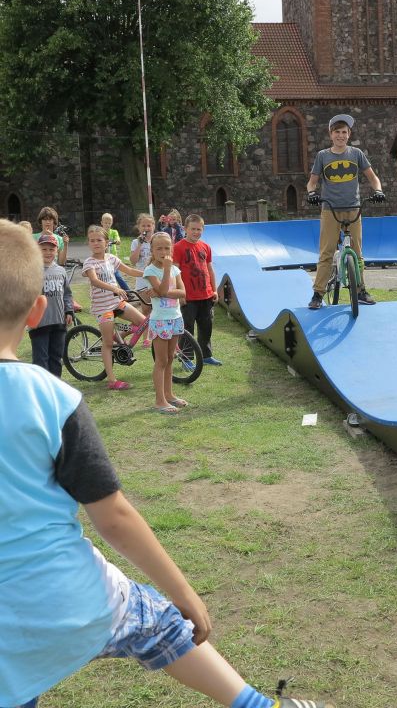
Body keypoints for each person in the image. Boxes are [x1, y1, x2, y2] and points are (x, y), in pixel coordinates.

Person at [0, 219, 334, 708]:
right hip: (67, 597)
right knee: (156, 621)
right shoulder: (51, 398)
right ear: (36, 313)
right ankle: (258, 706)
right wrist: (185, 592)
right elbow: (112, 516)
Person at [306, 114, 385, 309]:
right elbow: (312, 182)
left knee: (357, 254)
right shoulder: (323, 156)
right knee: (326, 253)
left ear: (348, 134)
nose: (340, 136)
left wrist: (378, 190)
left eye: (344, 132)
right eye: (337, 132)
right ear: (330, 134)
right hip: (330, 210)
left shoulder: (356, 154)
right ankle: (318, 294)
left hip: (354, 208)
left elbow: (373, 178)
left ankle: (360, 290)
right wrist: (311, 193)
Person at [82, 225, 145, 390]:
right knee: (108, 344)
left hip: (117, 303)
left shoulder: (111, 258)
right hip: (103, 308)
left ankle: (121, 336)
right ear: (88, 243)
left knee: (144, 322)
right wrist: (115, 289)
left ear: (106, 242)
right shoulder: (89, 263)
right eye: (92, 240)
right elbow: (95, 281)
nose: (95, 243)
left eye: (99, 240)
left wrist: (148, 273)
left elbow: (129, 270)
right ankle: (111, 380)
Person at [143, 232, 188, 414]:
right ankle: (159, 400)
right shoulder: (151, 271)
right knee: (161, 361)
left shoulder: (176, 270)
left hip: (175, 318)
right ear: (152, 251)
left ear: (172, 249)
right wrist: (167, 275)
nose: (163, 251)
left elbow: (183, 293)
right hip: (160, 320)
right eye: (159, 248)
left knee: (170, 359)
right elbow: (162, 290)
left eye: (167, 248)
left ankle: (169, 395)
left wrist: (164, 292)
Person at [173, 214, 222, 367]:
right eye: (193, 229)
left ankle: (206, 355)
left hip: (206, 296)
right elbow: (175, 272)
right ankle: (186, 358)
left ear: (203, 229)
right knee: (187, 328)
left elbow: (209, 269)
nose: (196, 232)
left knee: (206, 326)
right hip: (188, 297)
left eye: (199, 229)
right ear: (185, 229)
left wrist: (214, 290)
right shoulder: (178, 247)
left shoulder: (205, 247)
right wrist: (180, 294)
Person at [28, 232, 74, 377]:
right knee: (41, 361)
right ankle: (41, 392)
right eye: (44, 249)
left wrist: (69, 311)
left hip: (58, 322)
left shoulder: (61, 271)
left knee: (56, 358)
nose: (48, 252)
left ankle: (55, 388)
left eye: (51, 249)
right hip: (39, 324)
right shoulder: (32, 271)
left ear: (57, 250)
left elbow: (67, 293)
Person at [129, 212, 156, 347]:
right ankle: (147, 337)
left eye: (149, 225)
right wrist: (140, 245)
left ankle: (156, 335)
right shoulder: (135, 242)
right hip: (142, 279)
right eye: (143, 225)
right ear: (139, 228)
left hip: (156, 278)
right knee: (145, 310)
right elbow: (133, 261)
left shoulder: (157, 240)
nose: (146, 228)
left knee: (156, 309)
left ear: (153, 226)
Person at [101, 212, 129, 291]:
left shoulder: (114, 232)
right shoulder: (100, 232)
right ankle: (109, 291)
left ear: (112, 223)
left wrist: (116, 241)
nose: (107, 225)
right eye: (105, 223)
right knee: (105, 275)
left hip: (112, 257)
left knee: (117, 275)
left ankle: (128, 291)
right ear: (102, 223)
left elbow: (118, 240)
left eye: (109, 223)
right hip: (103, 257)